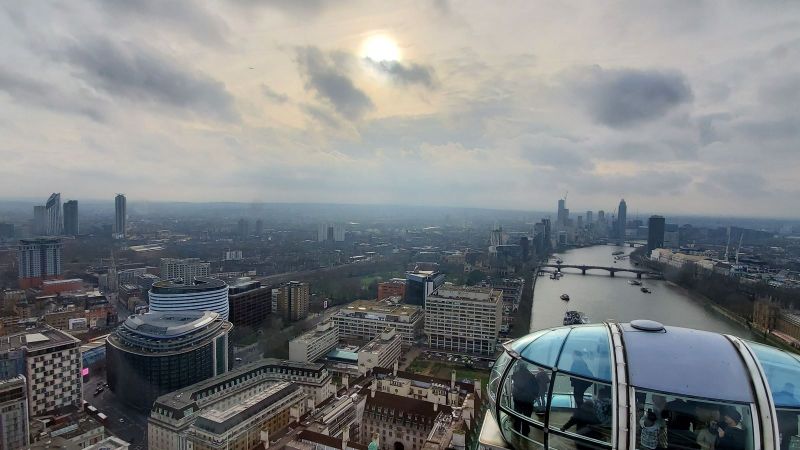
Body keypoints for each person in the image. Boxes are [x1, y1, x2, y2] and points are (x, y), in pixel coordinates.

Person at [511, 363, 538, 435]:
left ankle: (517, 429)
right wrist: (534, 396)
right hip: (528, 399)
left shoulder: (515, 374)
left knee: (517, 414)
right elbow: (536, 388)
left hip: (517, 398)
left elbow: (513, 378)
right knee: (527, 416)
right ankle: (525, 431)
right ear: (526, 367)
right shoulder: (531, 376)